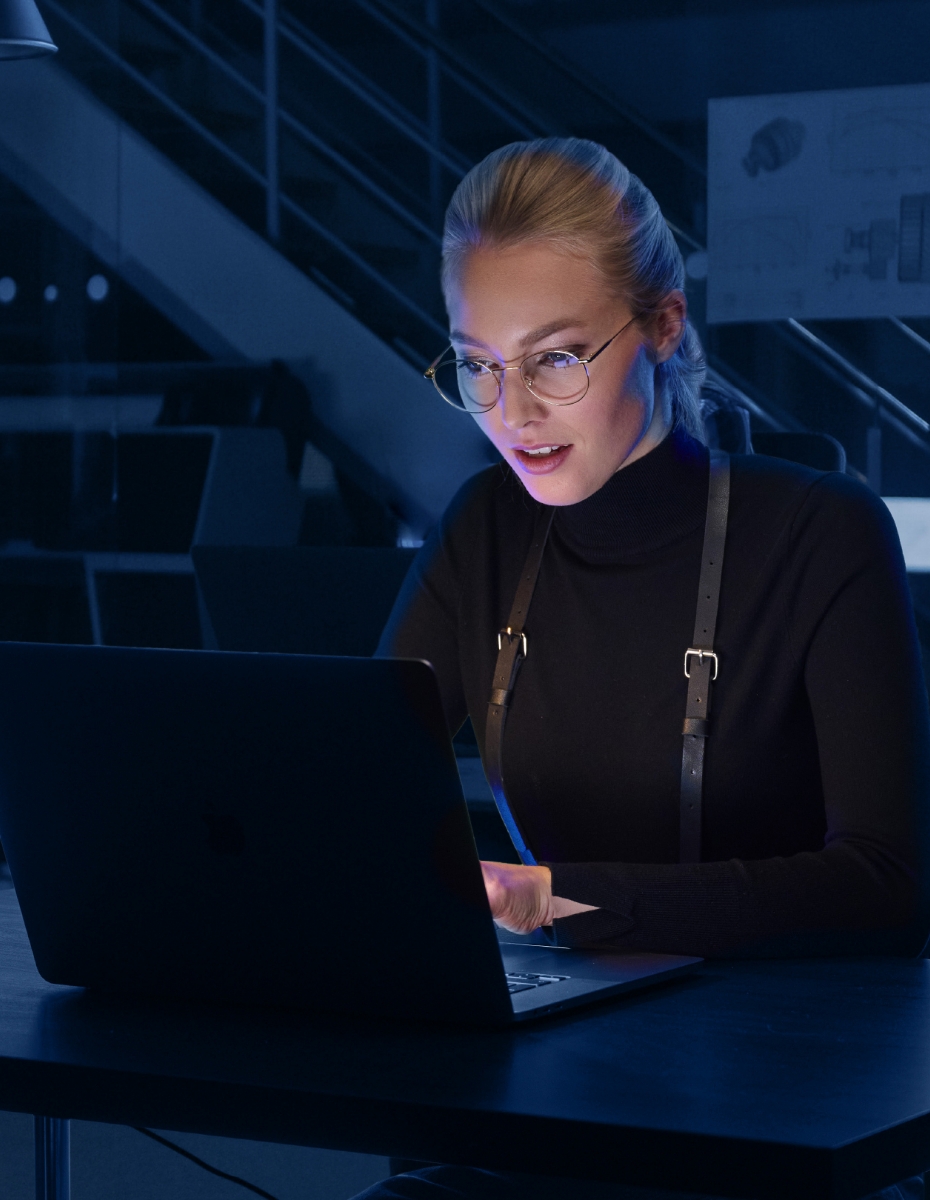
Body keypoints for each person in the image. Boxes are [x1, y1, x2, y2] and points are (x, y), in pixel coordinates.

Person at [355, 138, 930, 1200]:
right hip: (559, 1068)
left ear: (664, 322)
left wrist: (551, 900)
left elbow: (887, 886)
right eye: (477, 363)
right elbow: (356, 788)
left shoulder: (821, 533)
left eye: (557, 356)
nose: (511, 411)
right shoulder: (486, 527)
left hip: (789, 1095)